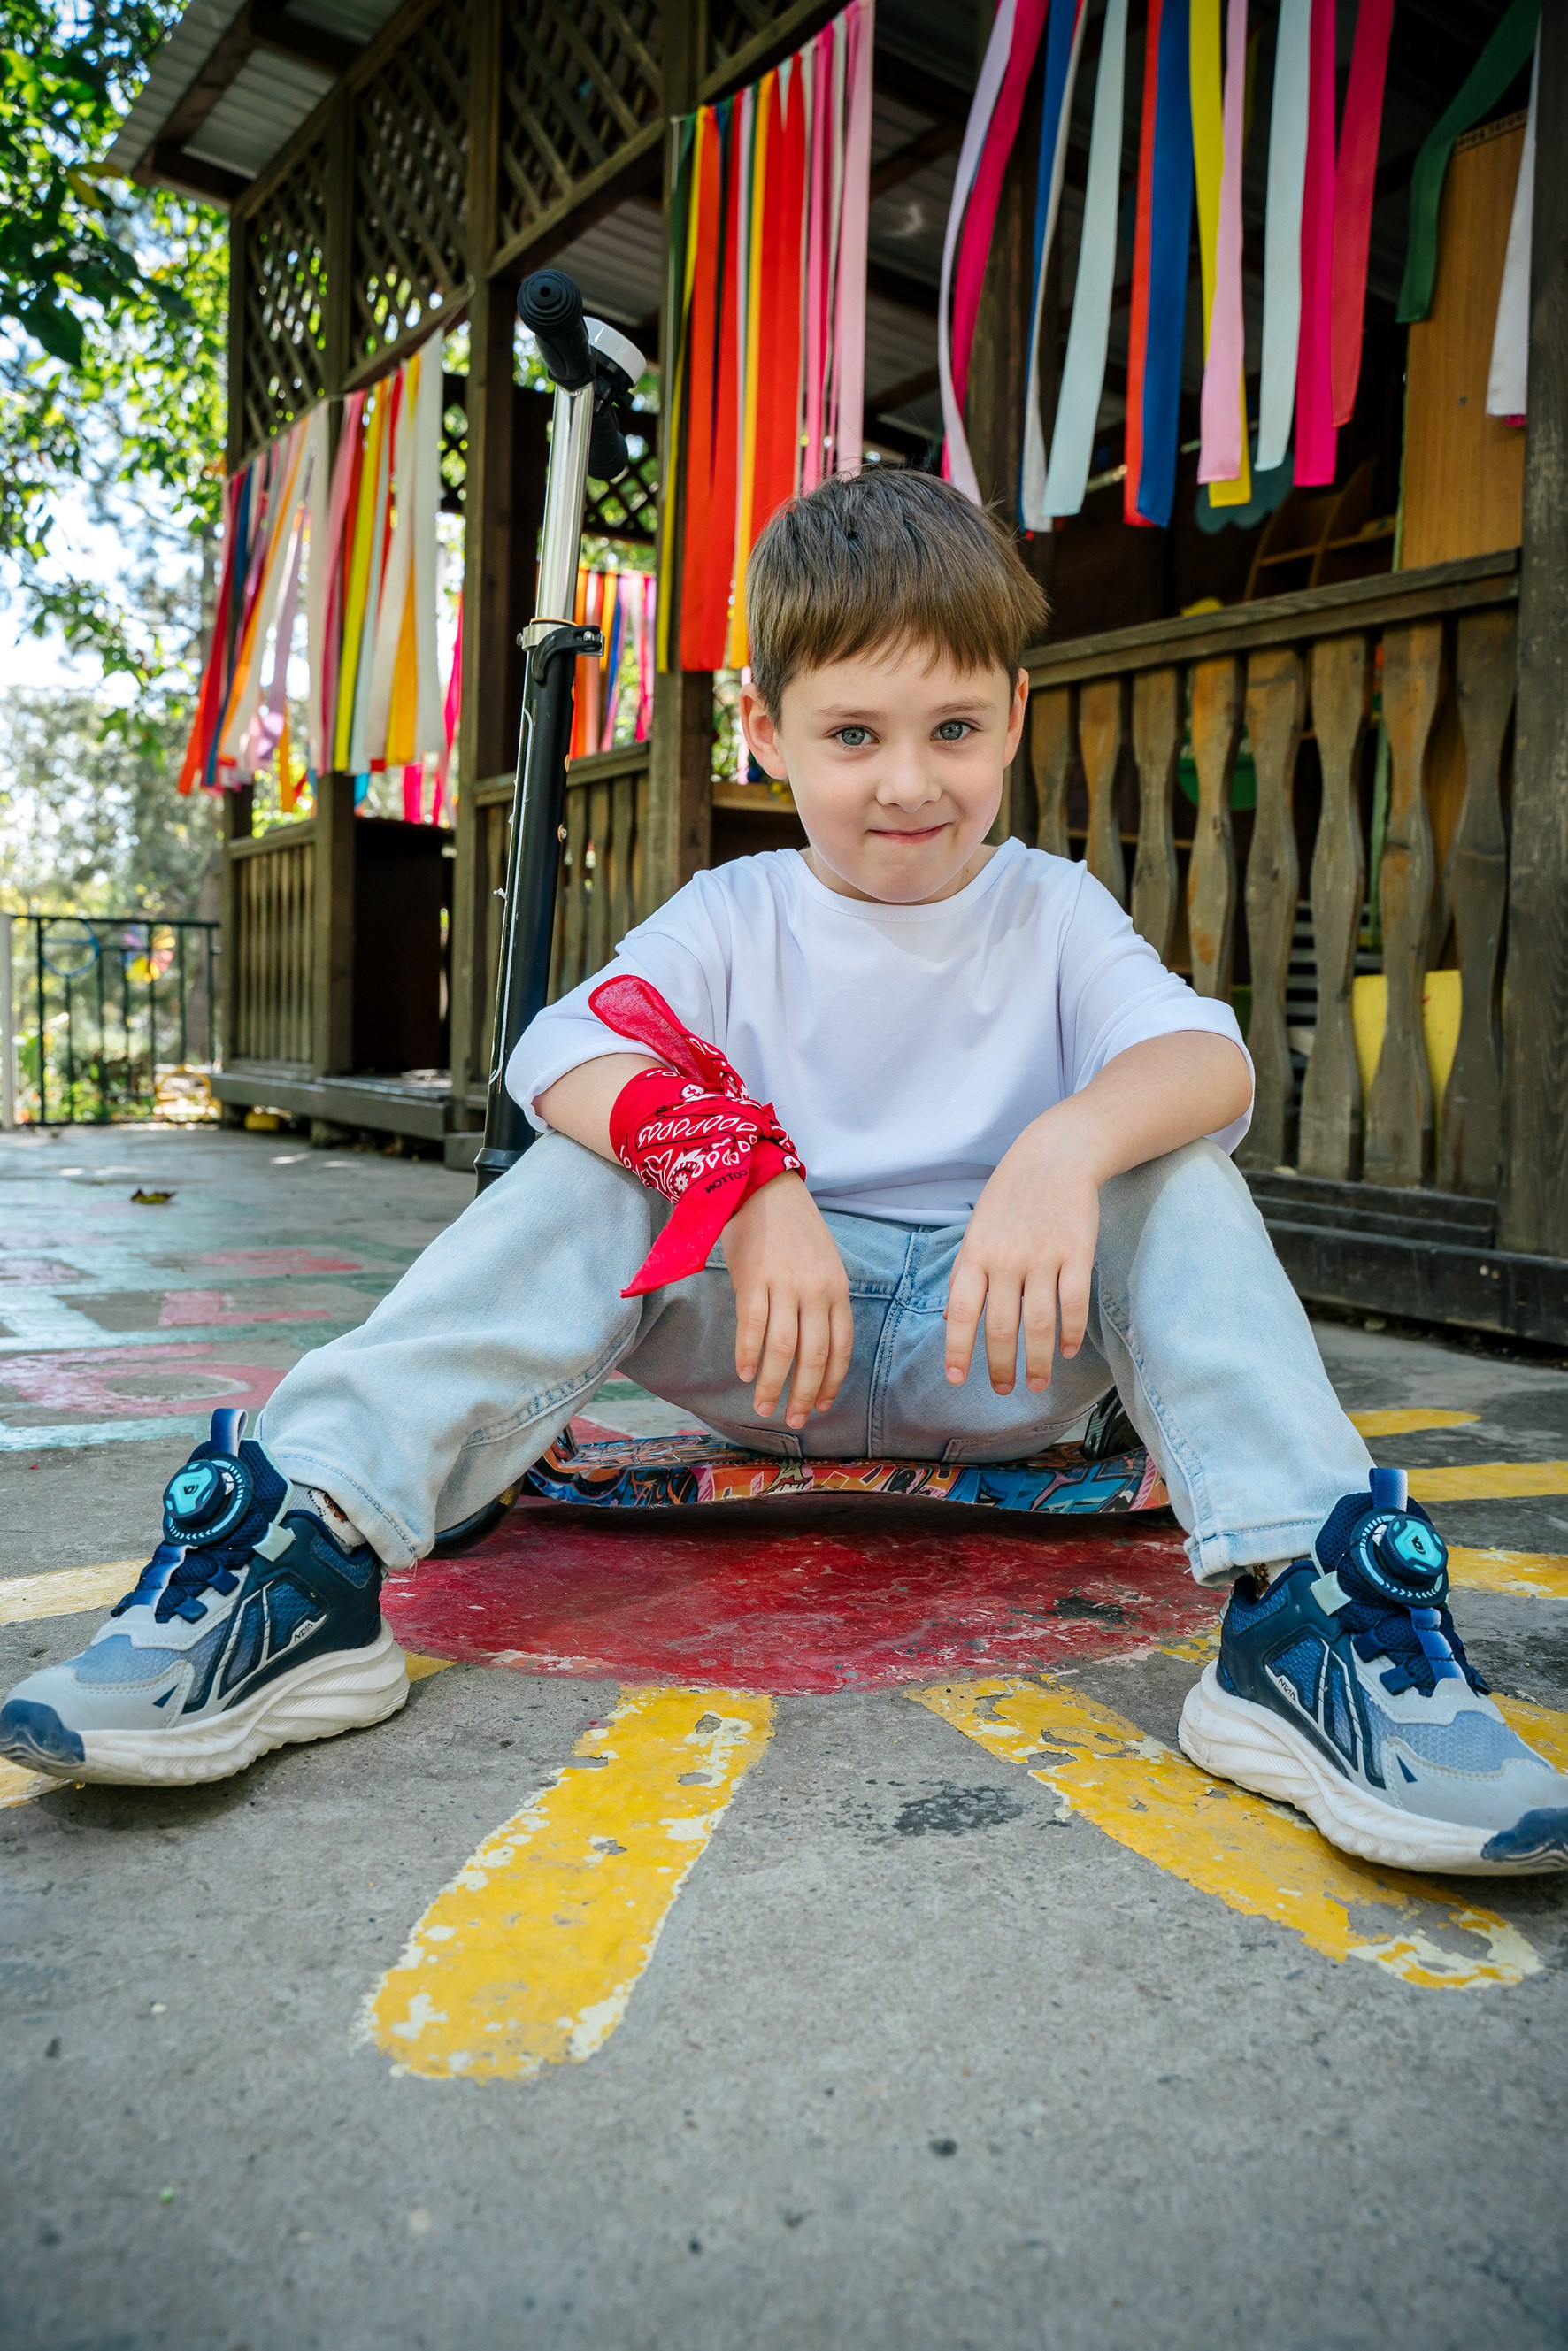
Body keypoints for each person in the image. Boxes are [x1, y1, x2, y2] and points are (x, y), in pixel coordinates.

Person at [4, 472, 1564, 1876]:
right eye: (853, 735)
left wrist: (1065, 1141)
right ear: (766, 729)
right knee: (587, 1161)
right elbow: (563, 1052)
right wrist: (749, 1180)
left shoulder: (1053, 906)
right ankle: (301, 1551)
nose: (909, 784)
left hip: (1004, 1347)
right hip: (773, 1341)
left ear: (1015, 720)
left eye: (954, 730)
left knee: (1173, 1168)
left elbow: (1211, 1063)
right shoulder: (738, 910)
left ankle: (1314, 1620)